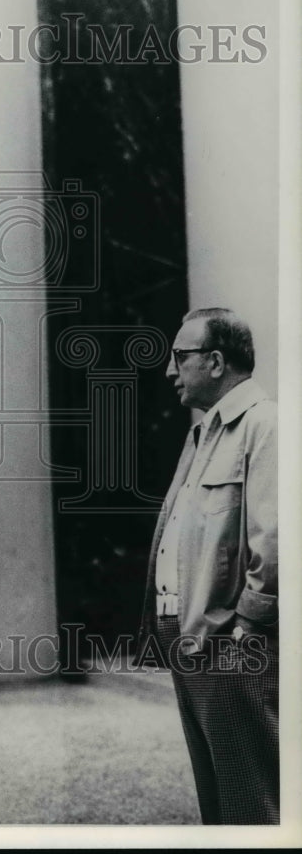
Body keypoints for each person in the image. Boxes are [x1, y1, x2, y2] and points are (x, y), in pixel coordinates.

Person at [137, 308, 278, 825]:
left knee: (251, 800)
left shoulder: (266, 425)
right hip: (190, 634)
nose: (171, 371)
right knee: (216, 800)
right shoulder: (203, 433)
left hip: (232, 643)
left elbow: (277, 538)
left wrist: (249, 627)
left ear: (216, 362)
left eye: (181, 357)